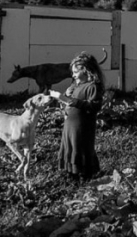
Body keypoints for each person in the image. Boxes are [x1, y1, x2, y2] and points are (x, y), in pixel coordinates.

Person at [51, 52, 105, 180]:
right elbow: (69, 103)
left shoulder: (92, 87)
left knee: (80, 145)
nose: (73, 75)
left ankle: (84, 174)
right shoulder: (75, 87)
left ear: (87, 71)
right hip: (70, 125)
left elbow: (94, 107)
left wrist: (69, 100)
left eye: (76, 72)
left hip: (82, 125)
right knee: (70, 145)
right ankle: (71, 173)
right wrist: (64, 99)